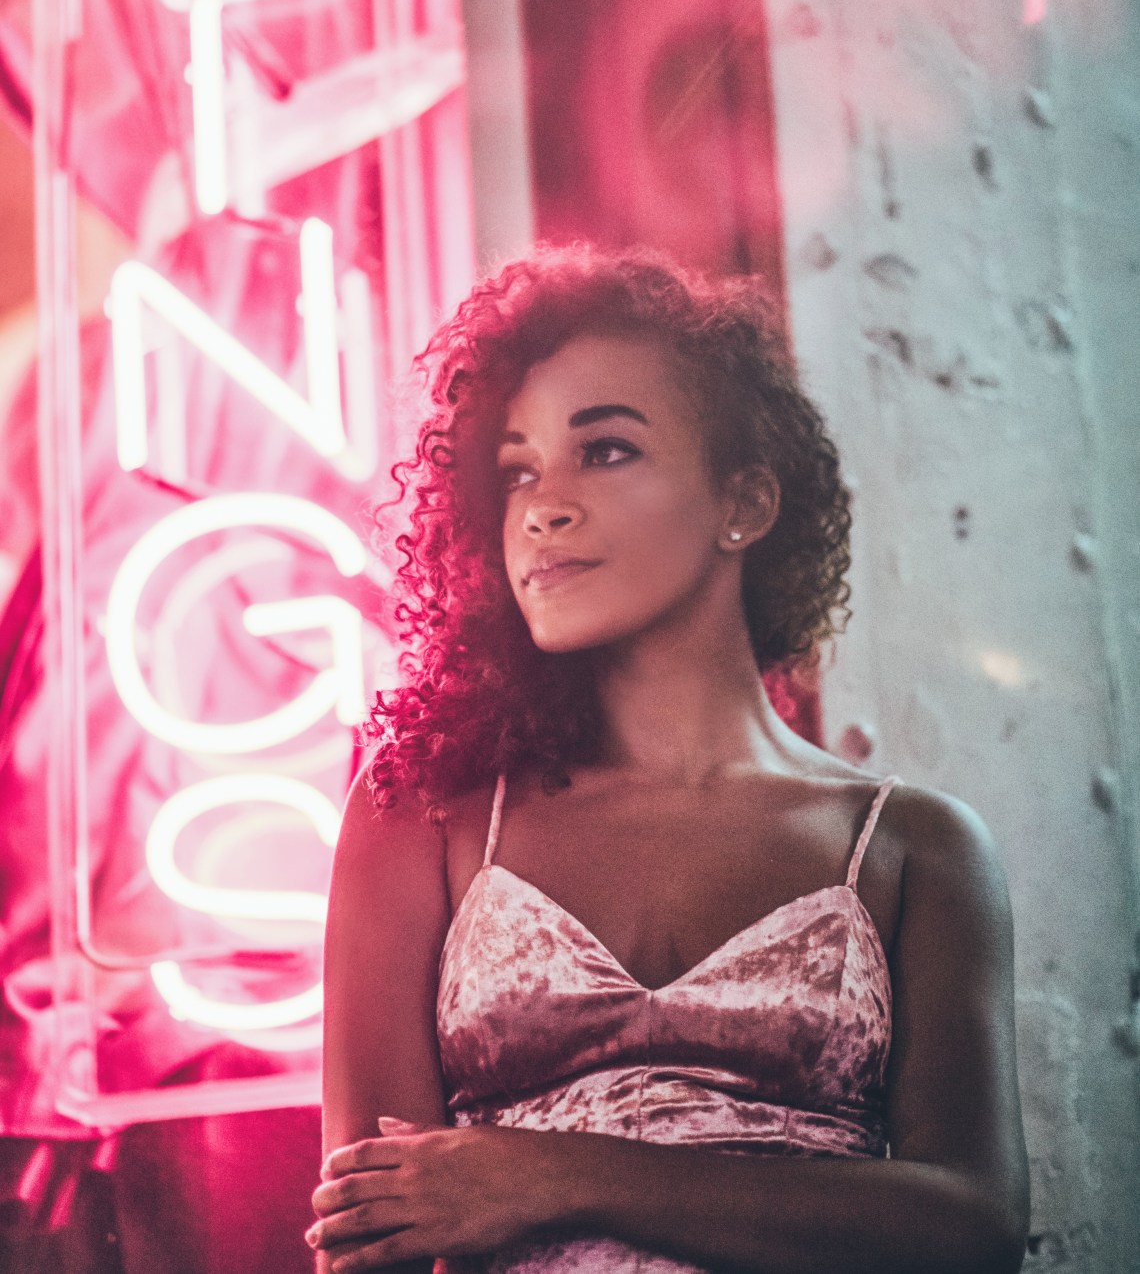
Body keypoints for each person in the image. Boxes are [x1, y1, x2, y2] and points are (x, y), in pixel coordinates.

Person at [307, 246, 1029, 1274]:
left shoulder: (915, 847)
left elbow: (973, 1230)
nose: (542, 506)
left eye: (603, 450)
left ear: (745, 504)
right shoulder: (422, 819)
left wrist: (555, 1174)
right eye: (516, 470)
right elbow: (369, 1232)